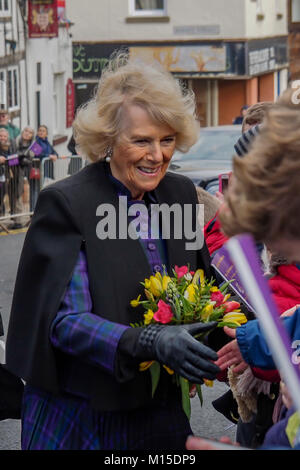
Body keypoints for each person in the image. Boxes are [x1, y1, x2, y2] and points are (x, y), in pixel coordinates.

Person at [6, 53, 221, 450]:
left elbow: (206, 288)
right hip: (83, 413)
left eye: (167, 139)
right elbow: (64, 321)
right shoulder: (68, 203)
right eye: (141, 140)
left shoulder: (180, 195)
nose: (157, 155)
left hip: (158, 408)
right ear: (108, 139)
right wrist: (150, 341)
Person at [0, 128, 17, 219]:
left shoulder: (10, 145)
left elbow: (13, 161)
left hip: (4, 175)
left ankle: (1, 218)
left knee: (2, 195)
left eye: (4, 136)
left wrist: (8, 159)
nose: (2, 138)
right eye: (1, 136)